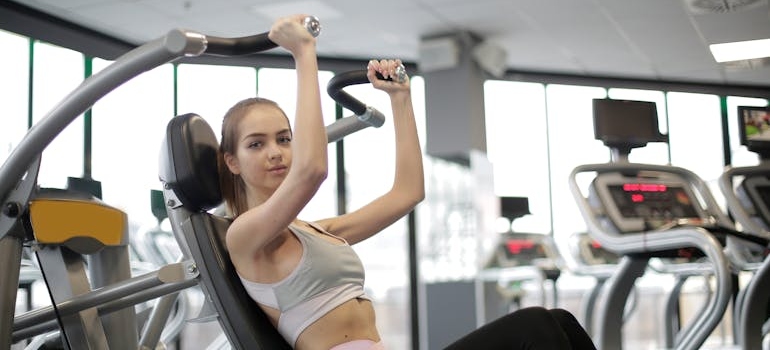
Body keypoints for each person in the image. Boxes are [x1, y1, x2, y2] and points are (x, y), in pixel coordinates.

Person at [217, 14, 596, 350]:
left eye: (284, 138)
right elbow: (312, 170)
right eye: (256, 144)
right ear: (232, 162)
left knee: (559, 323)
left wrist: (401, 100)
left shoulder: (314, 231)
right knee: (536, 327)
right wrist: (303, 53)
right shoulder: (244, 236)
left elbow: (408, 192)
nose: (276, 152)